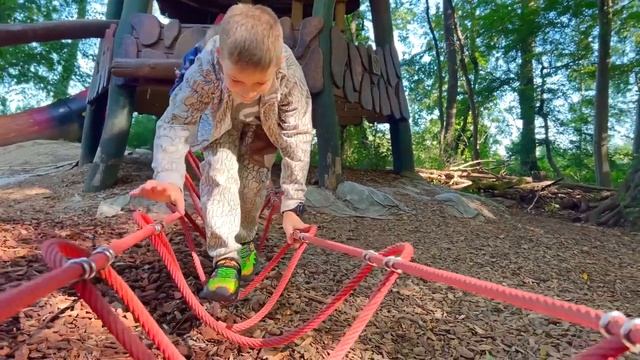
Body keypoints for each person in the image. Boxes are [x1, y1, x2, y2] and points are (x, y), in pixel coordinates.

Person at [130, 4, 312, 304]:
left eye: (259, 83)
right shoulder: (208, 66)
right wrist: (170, 177)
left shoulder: (289, 73)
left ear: (277, 63)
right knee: (220, 173)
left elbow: (297, 134)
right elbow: (177, 120)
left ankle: (245, 240)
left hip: (266, 124)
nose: (248, 91)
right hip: (218, 121)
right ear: (220, 59)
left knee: (253, 186)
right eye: (238, 80)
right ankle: (226, 258)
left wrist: (292, 204)